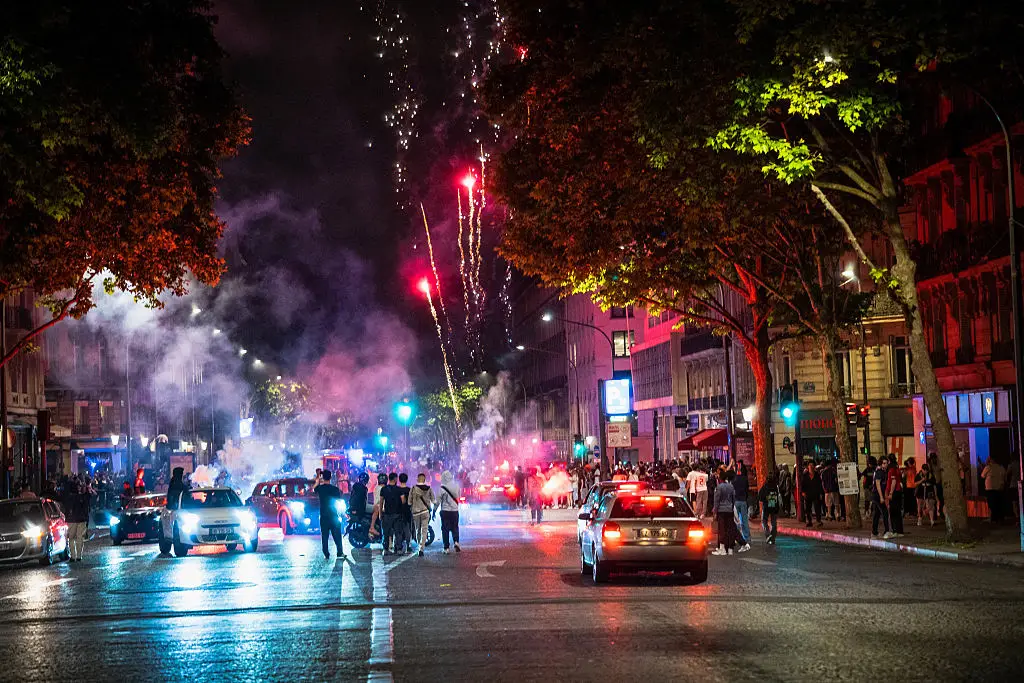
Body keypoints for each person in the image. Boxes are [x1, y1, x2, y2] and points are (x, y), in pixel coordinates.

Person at [314, 470, 346, 560]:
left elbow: (314, 487)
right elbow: (339, 502)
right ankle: (340, 552)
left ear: (322, 477)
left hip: (323, 516)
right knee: (337, 535)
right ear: (331, 477)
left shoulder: (320, 488)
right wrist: (343, 514)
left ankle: (326, 553)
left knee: (324, 536)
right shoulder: (335, 489)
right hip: (333, 515)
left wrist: (317, 475)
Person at [64, 478, 91, 562]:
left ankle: (73, 556)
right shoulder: (81, 497)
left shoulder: (68, 498)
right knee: (80, 538)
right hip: (81, 519)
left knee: (71, 538)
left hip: (71, 520)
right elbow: (88, 501)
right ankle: (79, 556)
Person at [408, 473, 436, 556]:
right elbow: (434, 501)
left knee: (417, 530)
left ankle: (418, 546)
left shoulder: (413, 489)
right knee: (424, 530)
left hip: (416, 513)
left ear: (417, 479)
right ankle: (421, 548)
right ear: (424, 480)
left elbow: (409, 502)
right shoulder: (429, 489)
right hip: (425, 512)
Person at [711, 469, 737, 556]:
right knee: (729, 529)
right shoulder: (731, 486)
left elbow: (716, 500)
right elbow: (733, 498)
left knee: (722, 530)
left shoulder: (719, 487)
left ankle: (722, 549)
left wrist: (715, 511)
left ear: (720, 478)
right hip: (729, 510)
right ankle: (730, 549)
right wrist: (732, 507)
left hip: (721, 511)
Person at [379, 473, 405, 556]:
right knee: (398, 532)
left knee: (386, 532)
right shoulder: (399, 489)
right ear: (395, 479)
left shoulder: (383, 489)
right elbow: (403, 500)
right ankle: (399, 549)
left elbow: (381, 502)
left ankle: (386, 549)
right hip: (397, 513)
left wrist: (380, 513)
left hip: (387, 514)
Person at [435, 471, 461, 554]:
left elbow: (438, 501)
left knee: (445, 529)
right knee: (455, 527)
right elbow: (458, 497)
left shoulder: (442, 488)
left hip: (445, 511)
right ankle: (456, 542)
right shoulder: (457, 486)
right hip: (454, 511)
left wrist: (434, 511)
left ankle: (446, 548)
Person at [870, 457, 893, 539]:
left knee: (877, 513)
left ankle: (874, 532)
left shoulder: (881, 471)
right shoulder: (879, 472)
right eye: (883, 463)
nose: (885, 465)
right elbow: (878, 484)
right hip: (877, 495)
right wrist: (881, 497)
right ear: (880, 463)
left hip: (877, 495)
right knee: (885, 512)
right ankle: (887, 531)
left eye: (886, 463)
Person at [981, 457, 1007, 524]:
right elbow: (1004, 476)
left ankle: (992, 518)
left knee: (991, 504)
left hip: (990, 488)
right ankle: (999, 518)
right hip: (999, 488)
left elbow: (982, 475)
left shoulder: (988, 467)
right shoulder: (1001, 467)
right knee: (998, 503)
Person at [758, 471, 781, 544]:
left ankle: (768, 534)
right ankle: (773, 537)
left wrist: (765, 499)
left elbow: (760, 497)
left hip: (767, 505)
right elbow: (779, 497)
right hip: (774, 506)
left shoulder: (765, 486)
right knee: (774, 522)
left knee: (764, 520)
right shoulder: (776, 487)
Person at [733, 462, 751, 551]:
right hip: (743, 501)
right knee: (744, 521)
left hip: (736, 501)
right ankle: (747, 538)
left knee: (736, 521)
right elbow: (747, 490)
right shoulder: (745, 479)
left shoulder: (734, 479)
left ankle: (737, 538)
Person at [885, 455, 905, 536]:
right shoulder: (897, 469)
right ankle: (899, 530)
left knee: (893, 512)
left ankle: (895, 530)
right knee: (897, 512)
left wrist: (890, 493)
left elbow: (893, 482)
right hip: (898, 491)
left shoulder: (892, 469)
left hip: (894, 492)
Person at [799, 462, 823, 528]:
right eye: (810, 465)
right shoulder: (805, 475)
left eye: (812, 465)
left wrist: (820, 493)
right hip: (808, 494)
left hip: (816, 494)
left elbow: (820, 484)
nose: (811, 467)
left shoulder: (817, 475)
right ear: (808, 467)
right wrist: (803, 492)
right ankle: (809, 521)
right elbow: (802, 484)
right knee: (807, 509)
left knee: (817, 508)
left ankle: (818, 520)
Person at [397, 473, 413, 553]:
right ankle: (408, 545)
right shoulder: (409, 490)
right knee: (407, 529)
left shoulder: (397, 490)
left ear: (399, 480)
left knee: (398, 529)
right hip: (407, 511)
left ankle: (398, 546)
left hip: (398, 511)